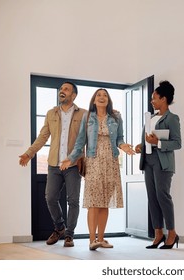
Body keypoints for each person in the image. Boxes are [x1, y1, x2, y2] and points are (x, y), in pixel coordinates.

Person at [60, 88, 135, 250]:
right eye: (98, 95)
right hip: (93, 162)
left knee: (104, 203)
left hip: (111, 162)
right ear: (94, 100)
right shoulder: (87, 117)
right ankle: (92, 240)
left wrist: (125, 147)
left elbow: (119, 138)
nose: (102, 97)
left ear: (108, 100)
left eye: (105, 95)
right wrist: (70, 158)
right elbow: (80, 142)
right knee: (93, 202)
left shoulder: (116, 117)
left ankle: (101, 239)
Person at [19, 81, 86, 247]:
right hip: (54, 164)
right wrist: (29, 153)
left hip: (73, 165)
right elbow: (43, 137)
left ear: (74, 95)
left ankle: (69, 235)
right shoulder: (51, 113)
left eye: (66, 89)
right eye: (61, 89)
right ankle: (60, 227)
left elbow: (85, 139)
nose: (62, 91)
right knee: (50, 198)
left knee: (73, 201)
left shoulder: (83, 114)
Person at [135, 80, 182, 249]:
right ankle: (158, 234)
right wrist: (141, 145)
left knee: (163, 197)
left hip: (163, 162)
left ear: (163, 99)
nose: (152, 101)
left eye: (154, 98)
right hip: (148, 160)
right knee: (152, 198)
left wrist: (158, 143)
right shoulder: (151, 118)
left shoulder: (172, 118)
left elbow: (177, 143)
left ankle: (172, 233)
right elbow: (147, 139)